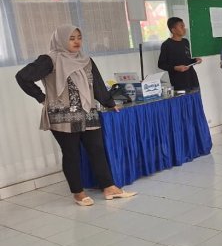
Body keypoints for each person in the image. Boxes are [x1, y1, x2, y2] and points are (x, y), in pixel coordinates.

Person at [15, 25, 136, 206]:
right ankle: (78, 193)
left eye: (79, 37)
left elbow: (97, 85)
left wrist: (110, 103)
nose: (76, 41)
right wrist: (41, 98)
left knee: (97, 149)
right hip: (63, 116)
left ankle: (109, 187)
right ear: (61, 40)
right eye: (71, 38)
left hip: (88, 113)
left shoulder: (86, 60)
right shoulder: (49, 60)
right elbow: (22, 76)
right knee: (72, 154)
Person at [158, 17, 201, 91]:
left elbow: (187, 60)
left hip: (192, 79)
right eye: (181, 27)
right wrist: (175, 68)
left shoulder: (185, 42)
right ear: (173, 30)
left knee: (196, 97)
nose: (184, 29)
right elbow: (161, 64)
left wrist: (195, 60)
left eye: (184, 26)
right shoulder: (167, 45)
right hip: (179, 83)